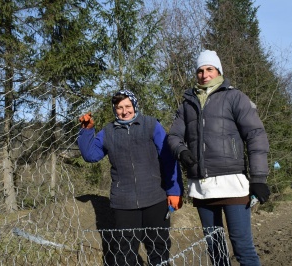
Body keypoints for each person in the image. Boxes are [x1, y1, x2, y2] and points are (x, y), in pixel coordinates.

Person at [168, 50, 270, 266]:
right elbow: (174, 136)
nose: (204, 74)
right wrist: (182, 151)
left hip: (233, 184)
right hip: (202, 187)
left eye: (209, 69)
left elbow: (255, 135)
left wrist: (259, 178)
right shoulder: (187, 104)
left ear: (218, 71)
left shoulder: (234, 97)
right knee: (215, 250)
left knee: (243, 248)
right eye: (200, 70)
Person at [78, 89, 183, 266]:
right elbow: (90, 155)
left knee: (158, 247)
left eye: (127, 106)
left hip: (155, 197)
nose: (124, 111)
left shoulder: (151, 125)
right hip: (123, 202)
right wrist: (87, 130)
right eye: (119, 107)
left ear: (134, 105)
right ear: (114, 109)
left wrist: (174, 190)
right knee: (125, 252)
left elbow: (168, 158)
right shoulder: (108, 132)